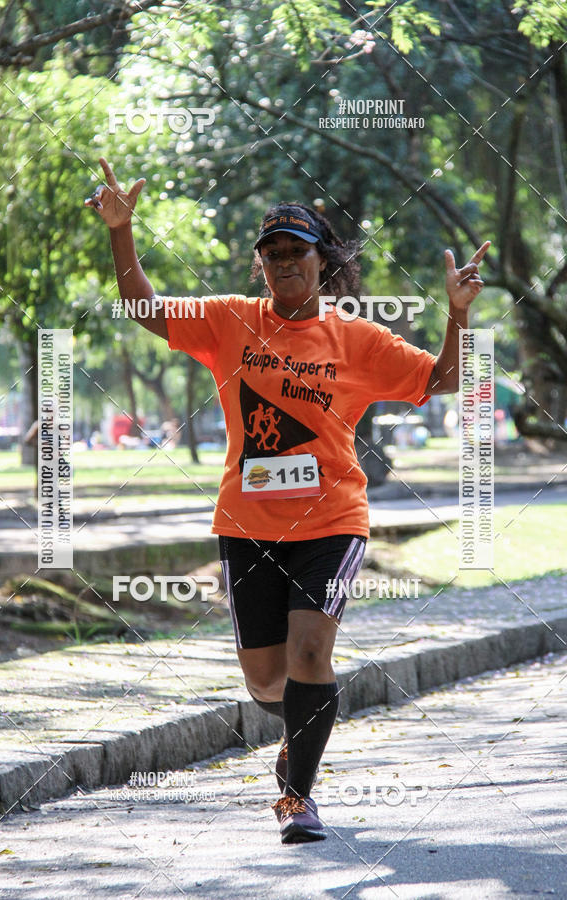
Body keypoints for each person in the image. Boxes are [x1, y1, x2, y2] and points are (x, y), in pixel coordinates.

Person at [86, 158, 489, 844]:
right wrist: (121, 233)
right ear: (260, 266)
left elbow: (445, 379)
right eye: (270, 254)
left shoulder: (357, 339)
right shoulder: (228, 323)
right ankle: (297, 734)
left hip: (332, 521)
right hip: (247, 525)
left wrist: (456, 314)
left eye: (295, 251)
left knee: (309, 656)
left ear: (321, 260)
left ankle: (297, 797)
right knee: (267, 682)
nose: (282, 264)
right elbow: (142, 307)